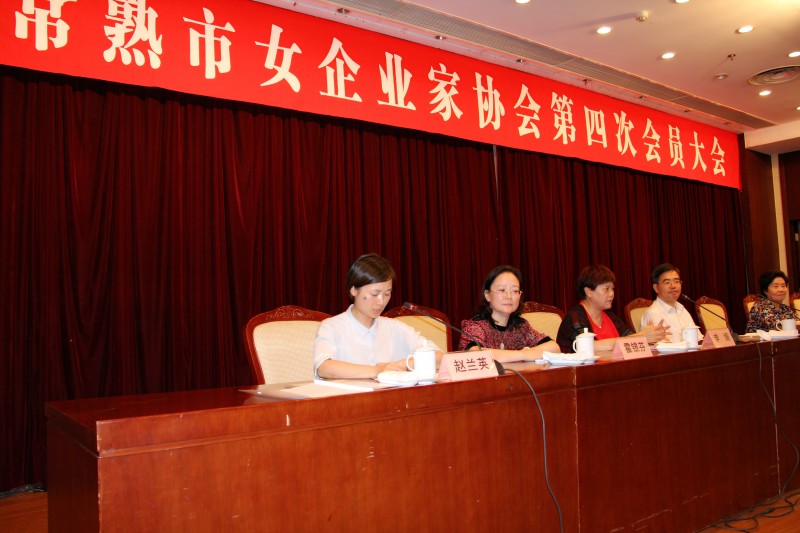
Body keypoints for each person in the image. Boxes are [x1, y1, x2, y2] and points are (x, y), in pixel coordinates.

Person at [313, 254, 441, 379]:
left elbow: (440, 357)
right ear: (354, 290)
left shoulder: (395, 328)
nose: (381, 301)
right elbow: (324, 367)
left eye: (387, 294)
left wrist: (403, 364)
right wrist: (378, 370)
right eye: (375, 294)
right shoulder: (331, 327)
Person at [458, 265, 560, 362]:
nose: (509, 296)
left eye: (515, 291)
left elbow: (554, 348)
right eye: (502, 290)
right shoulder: (475, 326)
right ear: (487, 295)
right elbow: (476, 355)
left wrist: (523, 354)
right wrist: (522, 354)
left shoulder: (521, 327)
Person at [557, 265, 668, 352]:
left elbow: (629, 337)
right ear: (588, 291)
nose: (612, 294)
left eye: (612, 289)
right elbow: (590, 346)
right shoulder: (575, 317)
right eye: (606, 289)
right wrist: (642, 337)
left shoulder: (610, 315)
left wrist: (651, 336)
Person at [640, 263, 697, 342]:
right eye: (667, 282)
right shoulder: (653, 313)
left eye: (676, 281)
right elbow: (662, 347)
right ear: (656, 288)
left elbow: (698, 338)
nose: (673, 286)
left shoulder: (682, 309)